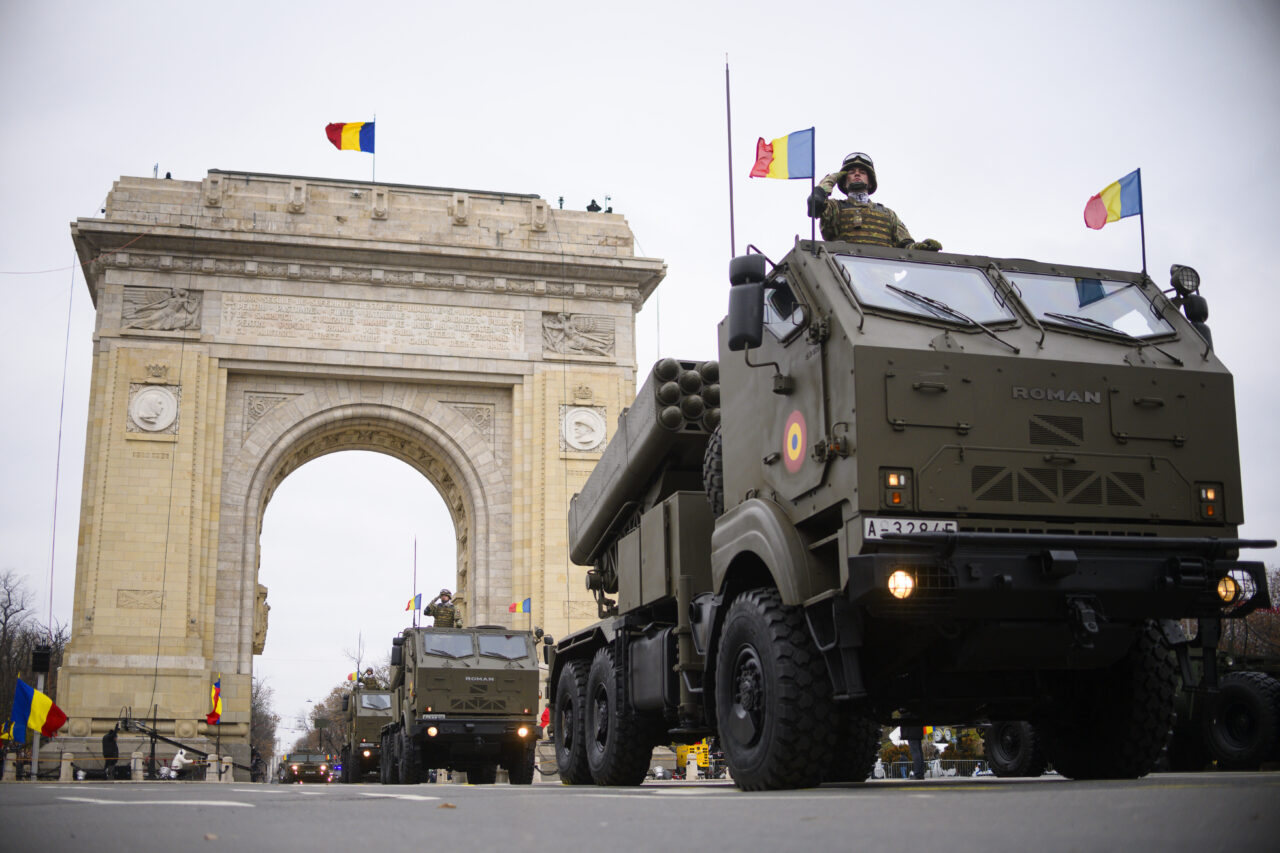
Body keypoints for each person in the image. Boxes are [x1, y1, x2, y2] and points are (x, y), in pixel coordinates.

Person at [807, 152, 942, 251]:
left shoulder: (888, 215)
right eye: (851, 172)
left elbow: (906, 247)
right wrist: (832, 178)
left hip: (880, 281)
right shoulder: (835, 208)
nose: (857, 174)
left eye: (862, 172)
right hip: (843, 277)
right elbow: (815, 204)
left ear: (870, 182)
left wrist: (922, 248)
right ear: (843, 181)